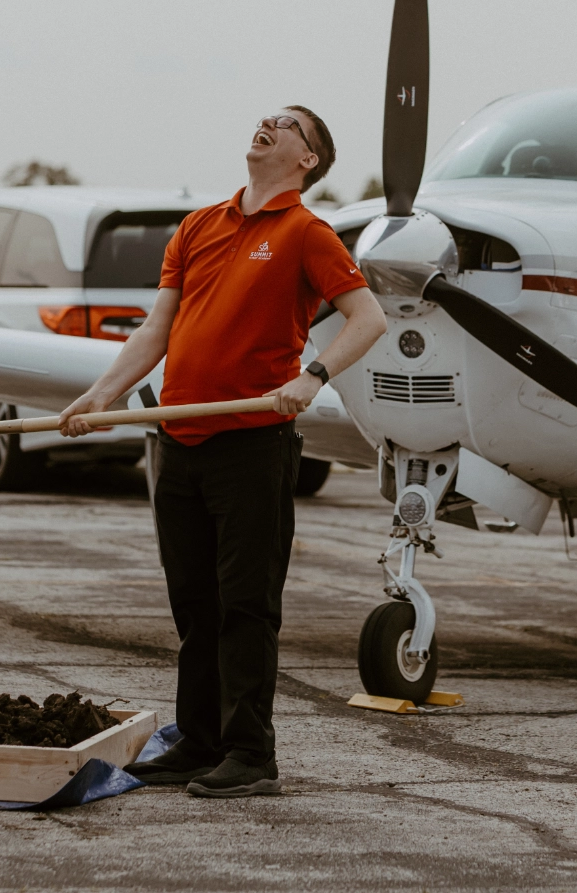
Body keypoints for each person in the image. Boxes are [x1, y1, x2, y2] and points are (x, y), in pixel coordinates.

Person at [59, 106, 387, 797]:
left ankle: (250, 752)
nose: (268, 124)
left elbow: (369, 318)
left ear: (308, 159)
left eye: (289, 124)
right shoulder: (199, 225)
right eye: (267, 116)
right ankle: (198, 742)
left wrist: (312, 375)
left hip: (251, 445)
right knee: (195, 607)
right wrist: (102, 394)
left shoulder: (306, 233)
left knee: (245, 605)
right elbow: (158, 330)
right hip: (179, 439)